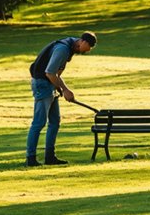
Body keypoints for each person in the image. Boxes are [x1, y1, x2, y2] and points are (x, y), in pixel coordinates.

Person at [25, 31, 97, 167]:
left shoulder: (70, 46)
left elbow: (56, 74)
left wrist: (61, 88)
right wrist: (64, 90)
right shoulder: (62, 49)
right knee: (39, 123)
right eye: (87, 48)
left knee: (54, 122)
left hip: (49, 84)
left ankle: (50, 157)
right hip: (42, 84)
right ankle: (31, 158)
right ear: (83, 42)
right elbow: (49, 73)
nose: (86, 52)